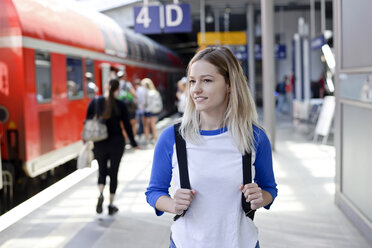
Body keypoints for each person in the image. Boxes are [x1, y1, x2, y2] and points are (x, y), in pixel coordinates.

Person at [145, 46, 277, 248]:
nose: (196, 89)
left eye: (206, 80)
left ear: (229, 84)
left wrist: (260, 197)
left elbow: (269, 190)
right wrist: (173, 204)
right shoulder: (173, 138)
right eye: (192, 81)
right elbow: (154, 192)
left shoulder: (254, 137)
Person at [85, 79, 137, 215]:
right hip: (116, 143)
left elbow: (87, 120)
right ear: (117, 89)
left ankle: (101, 194)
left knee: (102, 171)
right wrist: (133, 142)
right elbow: (127, 125)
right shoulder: (120, 105)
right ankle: (111, 204)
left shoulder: (96, 101)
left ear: (107, 87)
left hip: (99, 143)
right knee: (114, 173)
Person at [117, 70, 138, 138]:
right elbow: (134, 94)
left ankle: (125, 140)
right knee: (132, 124)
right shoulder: (127, 84)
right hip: (129, 107)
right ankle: (133, 140)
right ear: (124, 77)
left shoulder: (116, 84)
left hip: (120, 107)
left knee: (122, 125)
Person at [142, 78, 163, 144]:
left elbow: (144, 103)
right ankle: (155, 138)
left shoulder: (146, 92)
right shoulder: (155, 92)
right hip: (154, 111)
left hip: (147, 111)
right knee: (153, 125)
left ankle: (146, 139)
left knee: (146, 125)